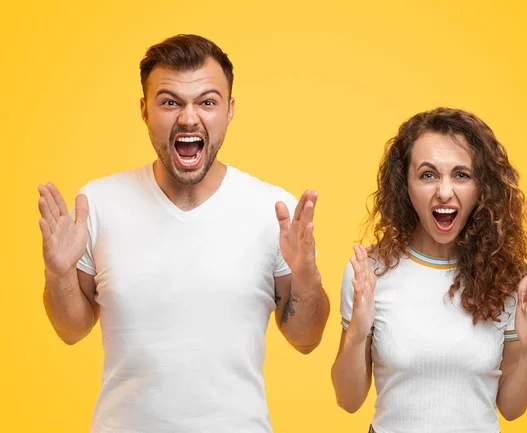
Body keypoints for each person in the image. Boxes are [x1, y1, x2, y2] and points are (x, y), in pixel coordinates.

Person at [37, 34, 329, 433]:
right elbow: (71, 330)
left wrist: (307, 279)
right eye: (170, 101)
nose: (189, 118)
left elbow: (305, 339)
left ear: (229, 110)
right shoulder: (99, 202)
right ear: (144, 110)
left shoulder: (272, 210)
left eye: (207, 101)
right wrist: (58, 274)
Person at [331, 107, 527, 433]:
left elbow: (511, 408)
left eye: (461, 175)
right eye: (428, 175)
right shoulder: (369, 273)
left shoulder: (507, 280)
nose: (445, 191)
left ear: (482, 187)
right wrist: (356, 334)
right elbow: (348, 400)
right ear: (404, 185)